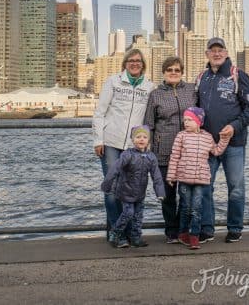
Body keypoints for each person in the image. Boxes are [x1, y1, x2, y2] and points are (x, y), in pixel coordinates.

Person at [197, 37, 249, 243]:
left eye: (220, 50)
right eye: (212, 50)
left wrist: (234, 126)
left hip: (234, 143)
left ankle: (234, 227)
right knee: (205, 186)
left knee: (236, 187)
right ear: (207, 54)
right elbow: (195, 111)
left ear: (226, 53)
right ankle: (207, 228)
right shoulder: (201, 78)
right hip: (208, 144)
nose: (216, 53)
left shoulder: (237, 75)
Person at [93, 48, 154, 244]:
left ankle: (129, 233)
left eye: (138, 61)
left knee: (130, 191)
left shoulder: (149, 87)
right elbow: (99, 113)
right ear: (125, 63)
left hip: (133, 146)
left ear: (143, 65)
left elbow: (150, 119)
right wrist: (98, 140)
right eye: (131, 60)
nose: (135, 63)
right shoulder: (113, 82)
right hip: (110, 142)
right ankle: (116, 233)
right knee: (111, 189)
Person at [142, 56, 197, 244]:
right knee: (168, 194)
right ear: (164, 73)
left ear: (182, 72)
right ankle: (171, 232)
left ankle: (184, 230)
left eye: (177, 70)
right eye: (169, 70)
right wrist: (146, 149)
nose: (173, 73)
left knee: (187, 193)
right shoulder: (155, 94)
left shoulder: (191, 90)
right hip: (163, 149)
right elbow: (148, 123)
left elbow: (200, 116)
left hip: (189, 150)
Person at [166, 107, 230, 250]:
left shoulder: (207, 137)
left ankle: (194, 236)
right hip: (184, 178)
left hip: (201, 180)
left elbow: (217, 151)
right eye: (185, 120)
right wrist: (171, 176)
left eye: (189, 120)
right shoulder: (181, 136)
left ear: (199, 121)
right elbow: (175, 156)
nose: (186, 123)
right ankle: (183, 233)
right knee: (185, 207)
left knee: (196, 208)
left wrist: (224, 139)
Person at [100, 125, 166, 248]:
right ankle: (115, 232)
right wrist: (107, 184)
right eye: (138, 137)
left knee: (138, 216)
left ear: (148, 140)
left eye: (145, 137)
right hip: (125, 192)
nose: (141, 139)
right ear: (132, 139)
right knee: (128, 213)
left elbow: (156, 176)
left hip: (140, 193)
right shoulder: (127, 154)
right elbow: (115, 168)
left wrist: (160, 192)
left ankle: (136, 237)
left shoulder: (151, 157)